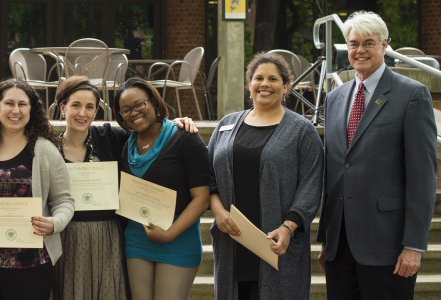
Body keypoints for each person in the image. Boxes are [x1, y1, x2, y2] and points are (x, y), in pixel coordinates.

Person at [317, 11, 437, 300]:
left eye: (369, 43)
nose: (360, 51)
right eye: (354, 43)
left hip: (388, 246)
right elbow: (335, 170)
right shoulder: (334, 98)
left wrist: (414, 245)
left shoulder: (412, 95)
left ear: (385, 45)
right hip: (339, 245)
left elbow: (422, 178)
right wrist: (326, 239)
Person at [52, 76, 198, 300]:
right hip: (68, 240)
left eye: (89, 107)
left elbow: (149, 132)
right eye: (75, 106)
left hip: (108, 239)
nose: (82, 113)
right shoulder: (49, 148)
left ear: (96, 111)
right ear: (63, 108)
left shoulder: (111, 138)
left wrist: (176, 123)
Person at [208, 52, 324, 299]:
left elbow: (311, 186)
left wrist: (288, 228)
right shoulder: (226, 125)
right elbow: (208, 178)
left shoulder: (302, 131)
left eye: (273, 79)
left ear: (286, 87)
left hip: (277, 244)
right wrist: (219, 212)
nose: (265, 84)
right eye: (258, 78)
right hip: (233, 243)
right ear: (249, 85)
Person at [0, 78, 75, 300]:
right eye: (9, 103)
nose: (16, 110)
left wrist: (55, 223)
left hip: (29, 263)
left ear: (32, 110)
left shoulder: (44, 150)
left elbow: (64, 201)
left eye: (22, 104)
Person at [112, 77, 210, 299]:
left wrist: (169, 233)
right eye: (126, 110)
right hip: (137, 238)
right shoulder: (126, 143)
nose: (134, 112)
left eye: (140, 104)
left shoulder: (185, 137)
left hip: (178, 238)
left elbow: (202, 199)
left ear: (155, 103)